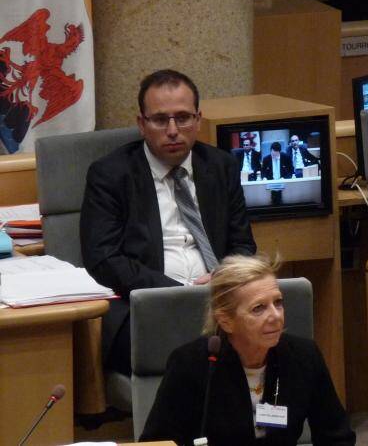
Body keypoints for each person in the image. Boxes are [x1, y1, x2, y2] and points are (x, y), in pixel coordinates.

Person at [81, 69, 256, 375]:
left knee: (277, 328)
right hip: (148, 305)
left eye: (183, 118)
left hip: (220, 300)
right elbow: (104, 259)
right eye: (161, 120)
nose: (173, 130)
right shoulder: (110, 174)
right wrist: (177, 291)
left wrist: (223, 278)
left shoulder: (221, 166)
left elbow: (243, 244)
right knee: (206, 356)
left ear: (198, 120)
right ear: (141, 124)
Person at [140, 255, 355, 445]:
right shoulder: (191, 364)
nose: (275, 316)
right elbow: (156, 443)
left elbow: (337, 437)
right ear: (226, 321)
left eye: (278, 303)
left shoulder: (303, 356)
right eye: (258, 308)